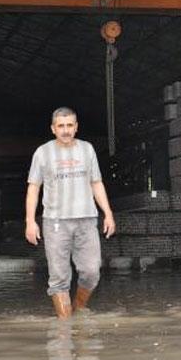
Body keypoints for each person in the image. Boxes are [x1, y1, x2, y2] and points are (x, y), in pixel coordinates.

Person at [25, 107, 116, 319]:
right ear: (53, 129)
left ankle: (79, 309)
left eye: (69, 125)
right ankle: (65, 328)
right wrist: (30, 221)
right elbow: (33, 188)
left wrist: (108, 214)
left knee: (92, 272)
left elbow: (96, 182)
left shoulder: (87, 149)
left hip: (86, 220)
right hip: (55, 222)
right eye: (61, 126)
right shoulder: (43, 152)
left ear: (76, 127)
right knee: (59, 278)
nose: (65, 130)